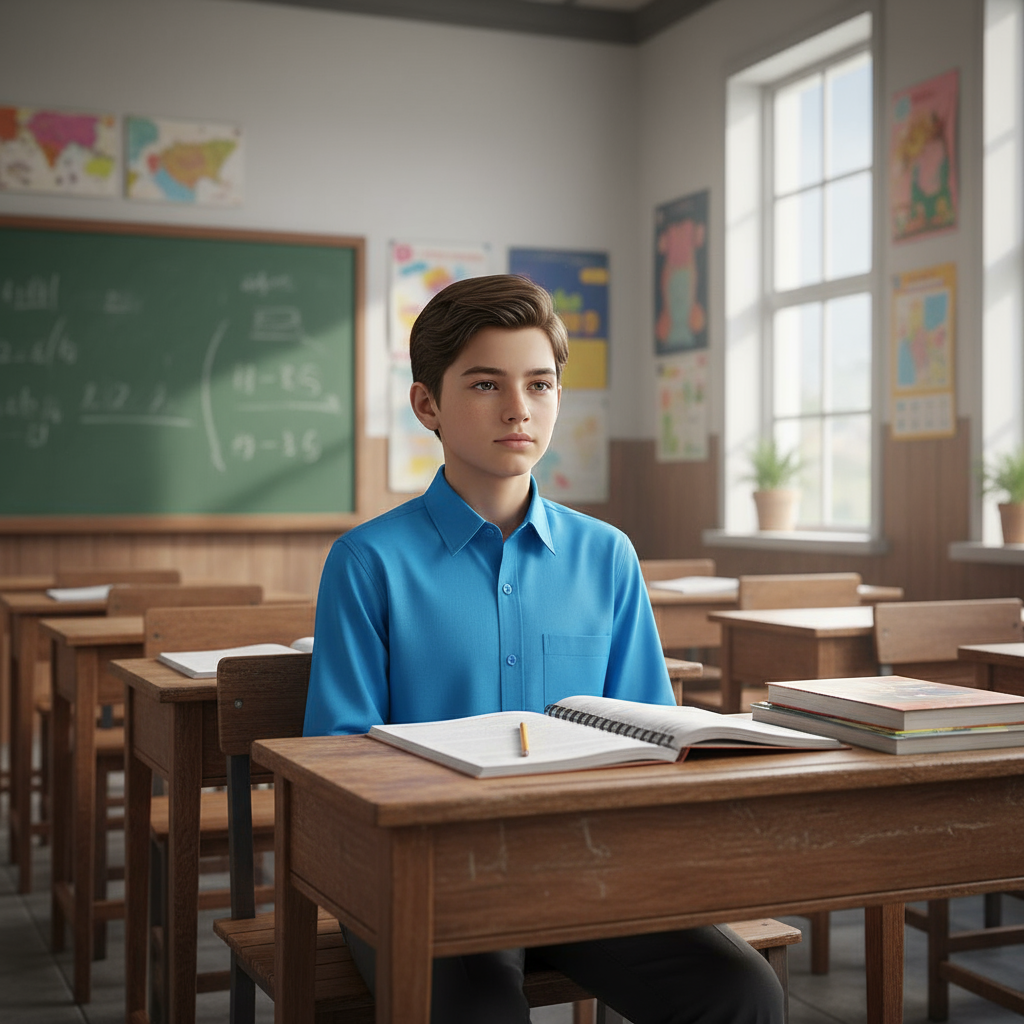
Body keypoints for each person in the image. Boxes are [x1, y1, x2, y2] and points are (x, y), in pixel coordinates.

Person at [303, 275, 784, 1024]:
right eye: (486, 384)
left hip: (585, 872)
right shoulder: (369, 562)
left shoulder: (607, 556)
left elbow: (653, 734)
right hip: (426, 882)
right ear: (427, 404)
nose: (518, 408)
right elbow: (333, 762)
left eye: (540, 383)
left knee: (741, 990)